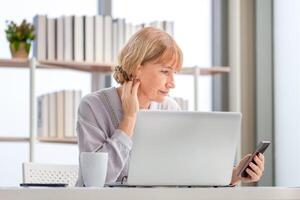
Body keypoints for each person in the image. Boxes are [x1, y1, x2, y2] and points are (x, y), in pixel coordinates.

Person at [76, 27, 265, 186]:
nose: (172, 83)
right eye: (165, 72)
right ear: (137, 68)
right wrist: (129, 119)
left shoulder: (170, 109)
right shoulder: (93, 107)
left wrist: (233, 175)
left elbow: (186, 175)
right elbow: (95, 182)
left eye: (174, 73)